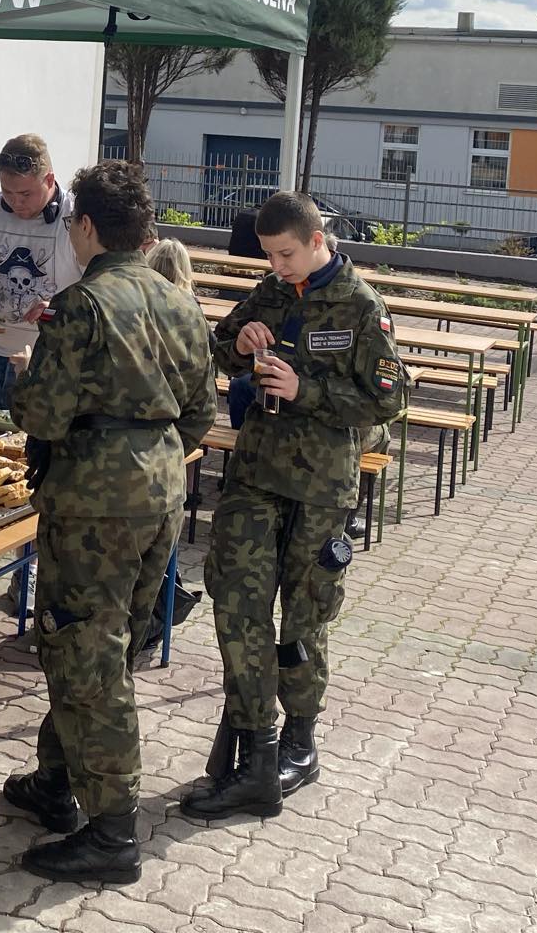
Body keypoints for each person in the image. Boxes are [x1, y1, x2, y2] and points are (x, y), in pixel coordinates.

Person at [0, 160, 215, 884]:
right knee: (102, 647)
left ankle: (112, 832)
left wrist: (24, 376)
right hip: (161, 489)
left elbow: (43, 414)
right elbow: (200, 414)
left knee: (85, 653)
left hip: (95, 500)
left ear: (87, 225)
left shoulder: (81, 305)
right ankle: (55, 781)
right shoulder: (179, 301)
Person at [186, 192, 407, 822]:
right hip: (256, 475)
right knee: (237, 605)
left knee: (302, 620)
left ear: (316, 240)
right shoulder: (273, 291)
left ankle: (300, 741)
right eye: (269, 255)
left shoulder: (361, 306)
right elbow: (219, 348)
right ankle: (254, 744)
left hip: (319, 488)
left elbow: (388, 400)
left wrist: (304, 390)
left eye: (285, 254)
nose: (277, 266)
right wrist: (241, 341)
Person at [0, 135, 83, 414]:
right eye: (7, 193)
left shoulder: (77, 218)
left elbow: (99, 291)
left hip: (49, 360)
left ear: (49, 180)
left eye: (25, 194)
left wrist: (56, 309)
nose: (15, 203)